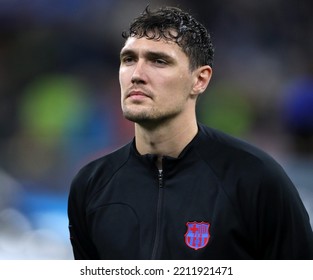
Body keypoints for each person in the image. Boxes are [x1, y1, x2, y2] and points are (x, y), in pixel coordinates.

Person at [68, 6, 313, 260]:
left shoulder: (256, 178)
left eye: (159, 61)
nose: (137, 75)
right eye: (129, 59)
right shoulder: (91, 184)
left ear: (200, 80)